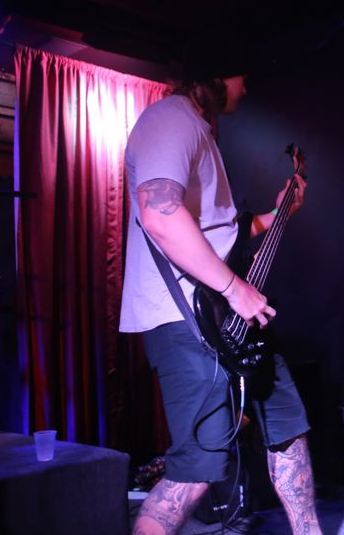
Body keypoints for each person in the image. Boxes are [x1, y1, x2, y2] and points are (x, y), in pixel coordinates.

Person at [119, 39, 323, 535]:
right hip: (186, 317)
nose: (245, 88)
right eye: (240, 76)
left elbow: (217, 234)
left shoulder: (200, 130)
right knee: (197, 467)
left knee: (286, 427)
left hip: (225, 313)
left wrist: (279, 213)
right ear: (216, 74)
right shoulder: (170, 119)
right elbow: (160, 215)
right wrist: (234, 289)